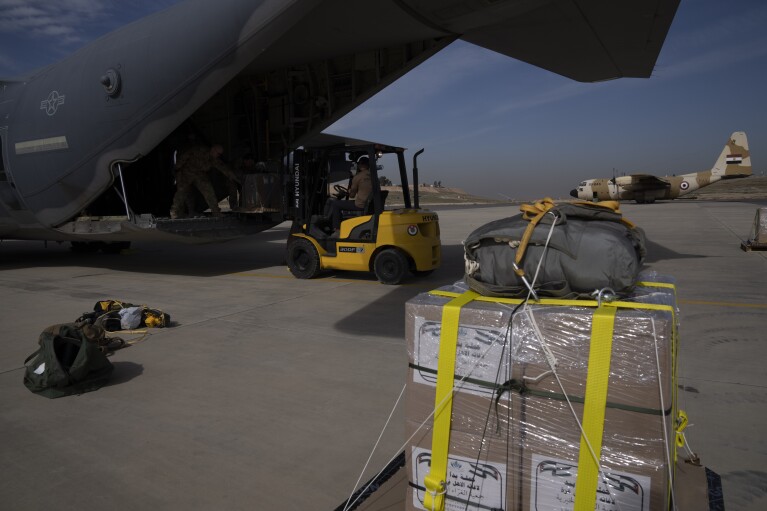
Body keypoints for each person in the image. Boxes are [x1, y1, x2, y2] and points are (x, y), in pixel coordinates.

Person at [170, 144, 240, 219]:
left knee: (209, 191)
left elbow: (223, 168)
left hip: (200, 174)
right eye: (218, 153)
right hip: (187, 172)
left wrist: (235, 178)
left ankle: (216, 212)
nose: (218, 155)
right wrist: (177, 167)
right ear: (213, 150)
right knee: (181, 192)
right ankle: (175, 212)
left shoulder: (213, 159)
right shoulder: (199, 150)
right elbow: (185, 156)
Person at [328, 157, 373, 234]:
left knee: (336, 204)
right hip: (370, 204)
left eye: (358, 164)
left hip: (361, 204)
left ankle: (337, 229)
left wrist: (349, 191)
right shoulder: (373, 176)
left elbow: (352, 195)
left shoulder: (358, 177)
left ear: (360, 165)